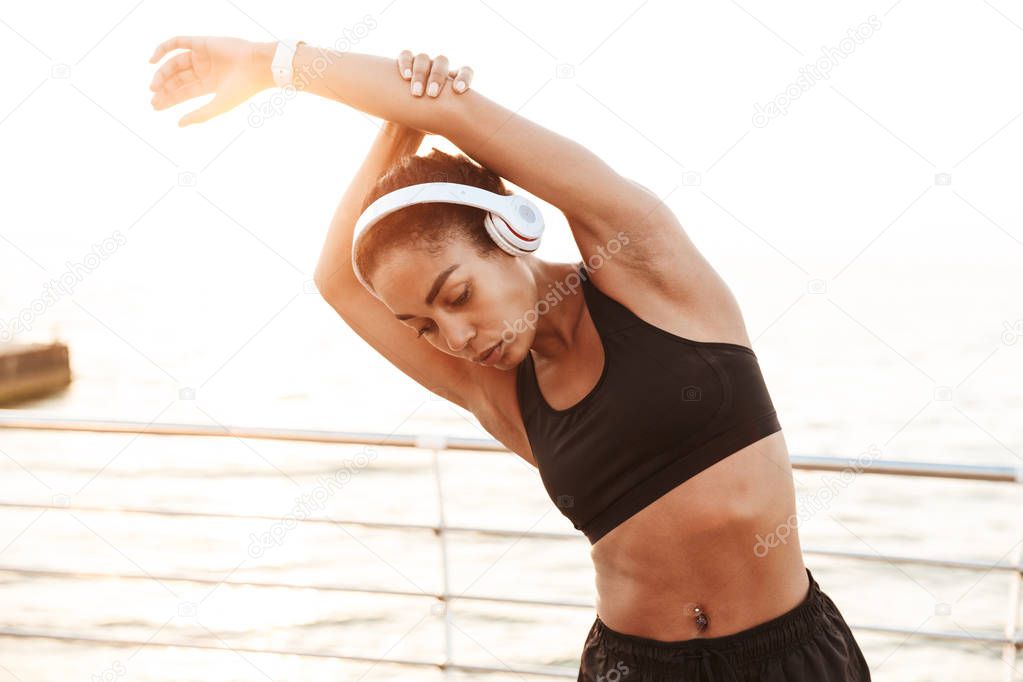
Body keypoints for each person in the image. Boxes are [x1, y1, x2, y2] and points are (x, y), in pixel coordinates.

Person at [149, 36, 871, 681]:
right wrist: (403, 126)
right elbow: (337, 279)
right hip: (630, 666)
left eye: (456, 293)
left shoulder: (647, 267)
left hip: (788, 659)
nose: (455, 337)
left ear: (512, 229)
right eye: (423, 326)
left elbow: (462, 112)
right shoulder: (497, 390)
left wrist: (273, 64)